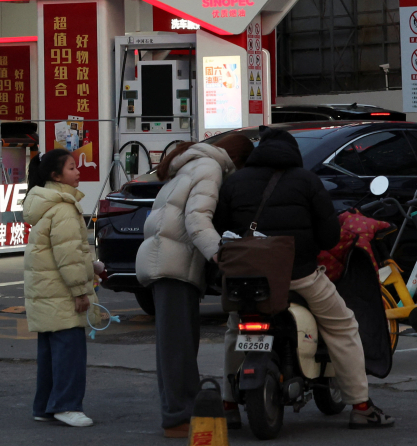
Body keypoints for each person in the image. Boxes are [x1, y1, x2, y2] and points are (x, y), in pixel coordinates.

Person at [213, 126, 394, 429]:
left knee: (235, 329)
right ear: (292, 153)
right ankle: (362, 406)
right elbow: (329, 236)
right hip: (299, 276)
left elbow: (220, 228)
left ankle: (229, 403)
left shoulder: (235, 182)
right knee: (343, 326)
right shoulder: (307, 181)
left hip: (247, 279)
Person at [136, 134, 253, 438]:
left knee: (174, 346)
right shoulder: (210, 168)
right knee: (179, 348)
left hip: (166, 259)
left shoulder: (192, 164)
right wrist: (220, 254)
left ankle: (177, 413)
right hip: (174, 263)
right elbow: (197, 219)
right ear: (238, 161)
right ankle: (179, 417)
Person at [23, 147, 98, 428]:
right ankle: (67, 406)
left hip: (47, 291)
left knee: (50, 354)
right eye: (71, 168)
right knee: (69, 353)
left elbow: (64, 250)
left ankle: (45, 407)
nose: (77, 172)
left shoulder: (45, 202)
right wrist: (80, 291)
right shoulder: (64, 207)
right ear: (56, 175)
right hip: (62, 292)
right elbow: (68, 254)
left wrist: (93, 266)